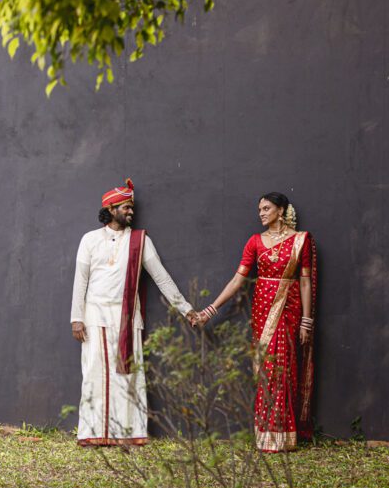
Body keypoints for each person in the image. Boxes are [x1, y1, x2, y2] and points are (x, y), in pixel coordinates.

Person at [70, 178, 198, 446]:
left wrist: (185, 309)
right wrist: (76, 318)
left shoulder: (140, 241)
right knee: (93, 374)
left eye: (132, 208)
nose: (131, 212)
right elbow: (80, 280)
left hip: (127, 319)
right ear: (112, 208)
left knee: (127, 377)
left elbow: (161, 278)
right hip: (94, 318)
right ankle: (93, 433)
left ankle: (127, 433)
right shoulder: (90, 239)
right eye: (126, 207)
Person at [195, 192, 317, 452]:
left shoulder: (300, 241)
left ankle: (284, 435)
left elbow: (305, 281)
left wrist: (307, 320)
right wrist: (210, 310)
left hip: (289, 308)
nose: (261, 213)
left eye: (266, 208)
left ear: (281, 210)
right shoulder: (255, 242)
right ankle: (266, 434)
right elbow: (238, 280)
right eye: (259, 209)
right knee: (266, 368)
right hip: (262, 310)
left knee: (284, 367)